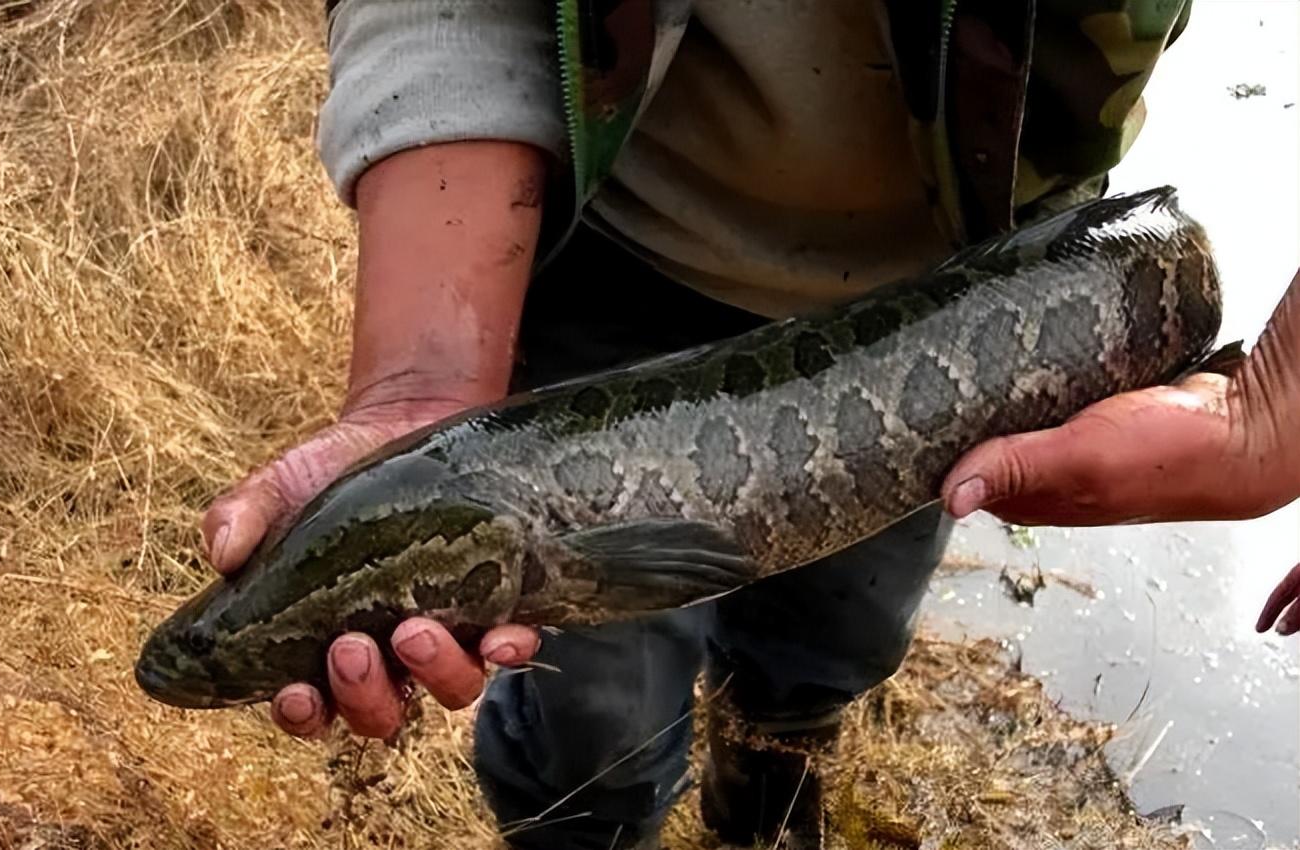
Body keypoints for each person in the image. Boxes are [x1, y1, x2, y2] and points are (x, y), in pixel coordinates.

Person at [196, 3, 1299, 848]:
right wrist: (421, 373)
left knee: (840, 640)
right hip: (615, 251)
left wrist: (1285, 399)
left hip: (988, 279)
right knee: (596, 723)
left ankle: (769, 782)